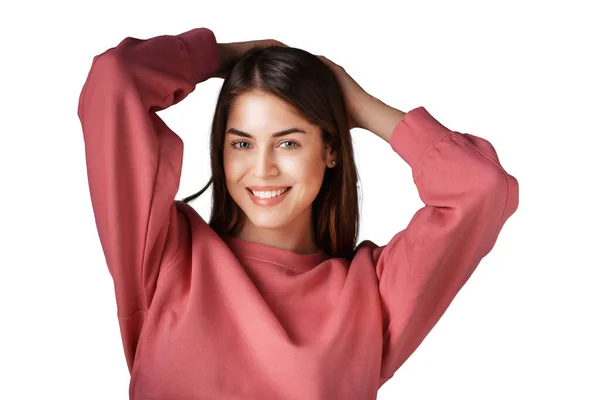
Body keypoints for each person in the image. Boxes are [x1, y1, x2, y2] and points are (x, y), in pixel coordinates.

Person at [77, 27, 519, 400]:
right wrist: (229, 57)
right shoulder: (164, 256)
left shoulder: (371, 295)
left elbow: (481, 188)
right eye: (242, 143)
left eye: (288, 142)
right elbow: (115, 80)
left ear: (330, 149)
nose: (263, 168)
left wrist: (360, 107)